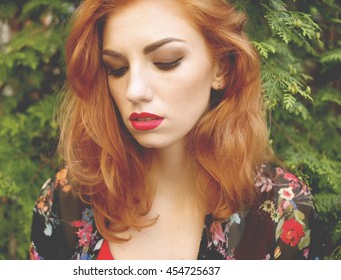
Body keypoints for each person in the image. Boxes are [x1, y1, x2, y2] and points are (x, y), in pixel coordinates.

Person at [29, 0, 320, 260]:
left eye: (166, 62)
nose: (135, 90)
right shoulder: (66, 200)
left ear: (221, 69)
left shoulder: (282, 210)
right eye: (116, 68)